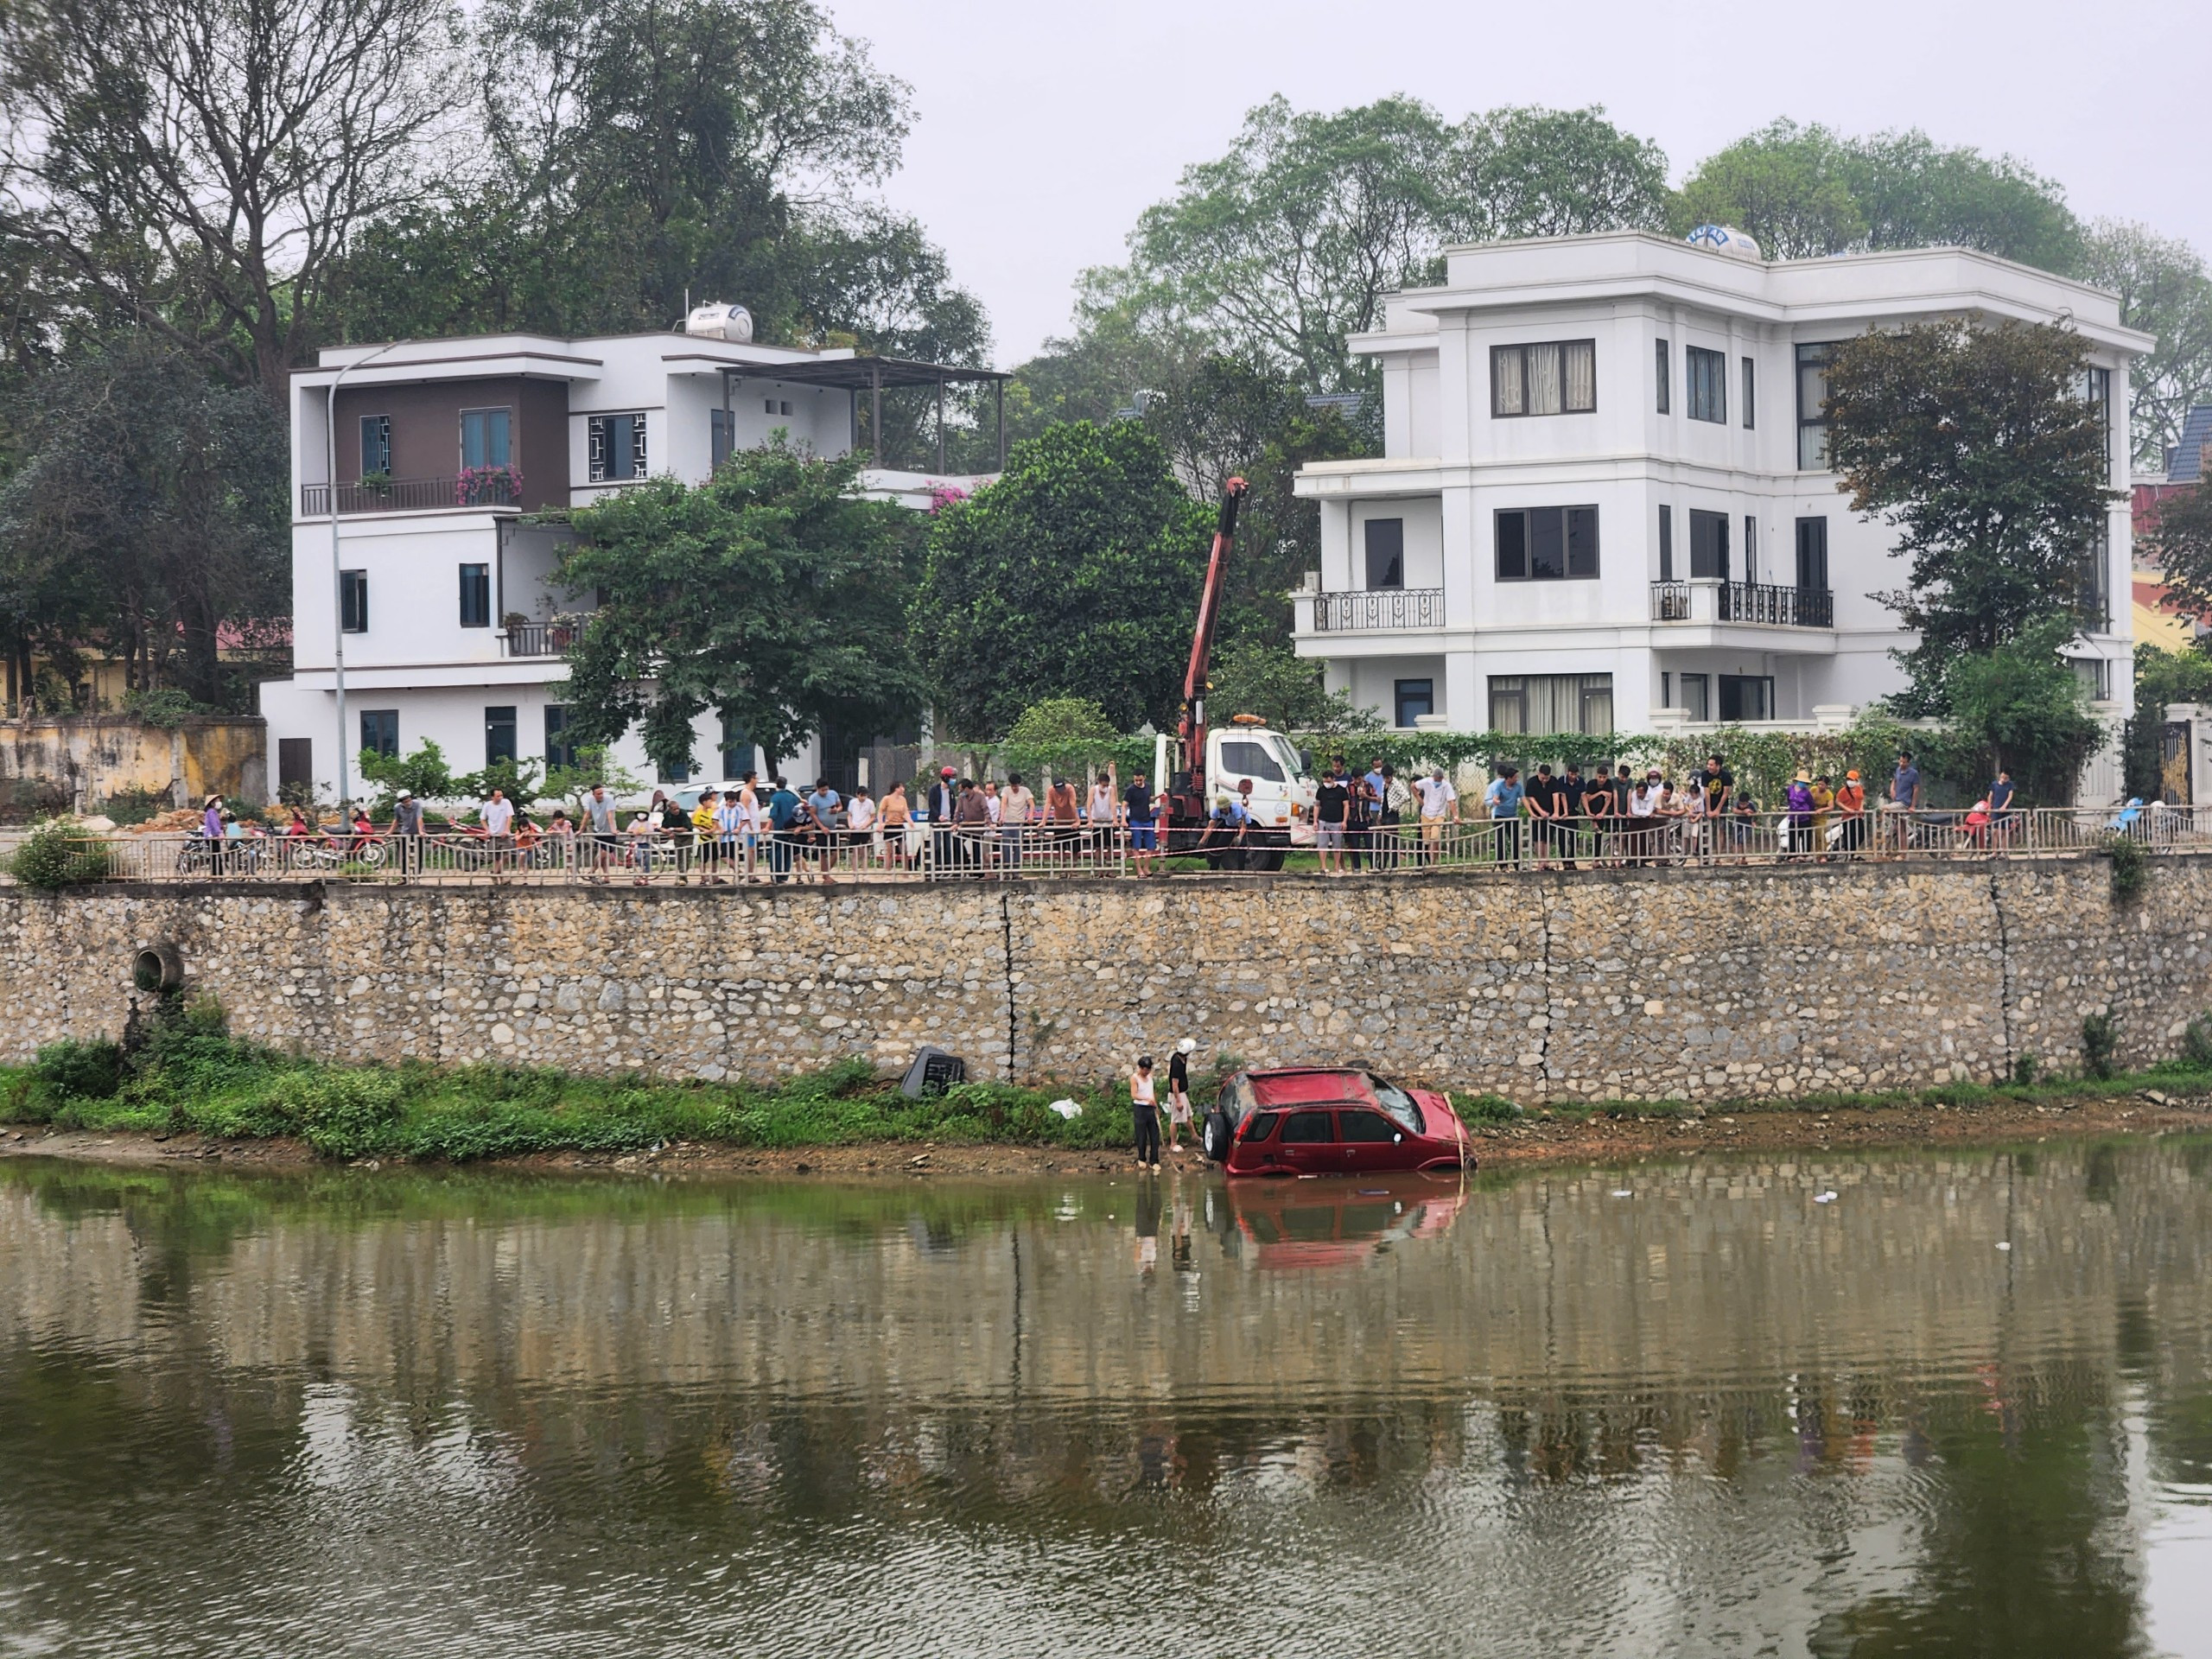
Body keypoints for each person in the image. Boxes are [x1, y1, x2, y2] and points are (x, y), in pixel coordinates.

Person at [1413, 765, 1458, 866]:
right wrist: (1418, 798)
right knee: (1427, 842)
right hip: (1426, 815)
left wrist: (1456, 816)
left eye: (1440, 779)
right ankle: (1430, 864)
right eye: (1437, 778)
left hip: (1439, 815)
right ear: (1434, 777)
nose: (1438, 780)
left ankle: (1433, 864)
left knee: (1435, 840)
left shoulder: (1446, 786)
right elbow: (1413, 786)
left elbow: (1451, 802)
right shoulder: (1427, 782)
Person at [1313, 760, 1351, 875]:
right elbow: (1317, 806)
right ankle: (1323, 866)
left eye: (1328, 781)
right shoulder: (1321, 790)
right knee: (1322, 844)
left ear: (1333, 779)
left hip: (1337, 821)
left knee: (1337, 845)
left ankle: (1336, 867)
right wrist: (1315, 821)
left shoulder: (1341, 790)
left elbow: (1346, 806)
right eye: (1324, 781)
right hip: (1323, 821)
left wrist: (1344, 821)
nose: (1326, 783)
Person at [1524, 763, 1564, 870]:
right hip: (1537, 815)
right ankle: (1540, 860)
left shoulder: (1553, 781)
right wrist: (1540, 812)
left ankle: (1546, 860)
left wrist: (1556, 812)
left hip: (1550, 814)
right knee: (1538, 839)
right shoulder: (1532, 782)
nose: (1545, 780)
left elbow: (1556, 796)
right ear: (1539, 773)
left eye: (1547, 778)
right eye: (1543, 778)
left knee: (1548, 839)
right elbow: (1531, 799)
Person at [1484, 764, 1523, 867]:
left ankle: (1516, 863)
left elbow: (1520, 799)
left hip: (1512, 815)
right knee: (1500, 840)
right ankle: (1503, 864)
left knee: (1515, 840)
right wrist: (1495, 801)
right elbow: (1489, 800)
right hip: (1499, 814)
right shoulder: (1496, 786)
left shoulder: (1517, 786)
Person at [766, 776, 803, 883]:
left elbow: (773, 814)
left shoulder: (775, 798)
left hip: (780, 830)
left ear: (776, 785)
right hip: (792, 830)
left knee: (777, 854)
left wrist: (767, 827)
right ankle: (785, 876)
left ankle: (776, 876)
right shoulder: (792, 797)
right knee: (788, 853)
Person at [1129, 1055, 1162, 1171]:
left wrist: (1156, 1106)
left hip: (1150, 1108)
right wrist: (1146, 1099)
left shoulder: (1150, 1077)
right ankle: (1141, 1158)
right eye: (1145, 1069)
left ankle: (1154, 1160)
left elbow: (1152, 1092)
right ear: (1140, 1068)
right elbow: (1134, 1094)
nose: (1147, 1072)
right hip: (1140, 1108)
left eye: (1149, 1069)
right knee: (1142, 1135)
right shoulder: (1134, 1078)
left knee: (1155, 1135)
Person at [1122, 769, 1157, 875]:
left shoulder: (1147, 787)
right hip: (1135, 820)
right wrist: (1123, 820)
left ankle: (1146, 868)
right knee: (1136, 846)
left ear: (1144, 778)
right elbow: (1124, 804)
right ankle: (1139, 871)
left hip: (1147, 820)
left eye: (1140, 780)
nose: (1138, 782)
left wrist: (1157, 797)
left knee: (1151, 846)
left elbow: (1148, 799)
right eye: (1136, 780)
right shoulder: (1131, 790)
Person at [956, 776, 993, 874]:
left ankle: (978, 872)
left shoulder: (980, 796)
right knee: (956, 842)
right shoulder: (961, 797)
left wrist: (989, 822)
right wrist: (955, 823)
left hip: (977, 828)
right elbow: (958, 811)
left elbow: (985, 810)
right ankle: (964, 865)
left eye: (961, 790)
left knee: (977, 848)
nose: (960, 792)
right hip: (966, 827)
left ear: (967, 789)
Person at [584, 784, 620, 882]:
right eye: (598, 793)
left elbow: (610, 815)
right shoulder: (590, 800)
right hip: (598, 830)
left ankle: (592, 870)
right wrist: (581, 829)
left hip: (608, 831)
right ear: (593, 794)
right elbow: (587, 815)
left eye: (602, 793)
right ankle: (606, 876)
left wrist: (613, 829)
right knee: (602, 855)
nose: (601, 795)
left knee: (603, 854)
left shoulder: (609, 800)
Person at [1889, 749, 1923, 853]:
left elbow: (1916, 789)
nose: (1902, 764)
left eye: (1904, 762)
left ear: (1908, 762)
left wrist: (1912, 805)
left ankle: (1897, 821)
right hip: (1897, 800)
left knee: (1884, 809)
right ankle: (1903, 851)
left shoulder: (1913, 773)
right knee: (1901, 829)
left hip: (1904, 802)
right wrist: (1892, 790)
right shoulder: (1898, 770)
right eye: (1900, 761)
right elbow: (1895, 781)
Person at [1166, 1037, 1196, 1153]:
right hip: (1177, 1094)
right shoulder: (1177, 1064)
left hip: (1182, 1092)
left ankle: (1194, 1135)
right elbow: (1174, 1084)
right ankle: (1173, 1144)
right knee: (1175, 1119)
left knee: (1188, 1115)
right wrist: (1178, 1101)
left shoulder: (1181, 1058)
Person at [1001, 772, 1035, 872]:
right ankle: (1006, 869)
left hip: (1019, 823)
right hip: (1007, 823)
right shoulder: (1006, 790)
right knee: (1006, 847)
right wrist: (1002, 816)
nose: (1014, 788)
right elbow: (1003, 803)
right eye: (1012, 786)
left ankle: (1016, 870)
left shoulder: (1025, 791)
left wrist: (1031, 815)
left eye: (1015, 786)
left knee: (1018, 848)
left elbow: (1032, 804)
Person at [659, 788, 695, 883]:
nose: (677, 810)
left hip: (687, 837)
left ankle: (683, 875)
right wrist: (667, 832)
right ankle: (681, 875)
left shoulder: (683, 813)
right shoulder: (667, 814)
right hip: (677, 837)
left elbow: (685, 828)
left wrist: (672, 829)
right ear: (670, 809)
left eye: (678, 808)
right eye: (674, 809)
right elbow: (663, 827)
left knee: (686, 856)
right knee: (679, 856)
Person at [929, 766, 959, 874]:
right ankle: (936, 869)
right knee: (937, 846)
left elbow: (953, 806)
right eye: (952, 777)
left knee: (948, 847)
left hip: (948, 823)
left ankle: (947, 870)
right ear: (945, 777)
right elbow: (932, 805)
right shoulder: (935, 790)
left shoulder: (951, 792)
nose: (953, 780)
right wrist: (938, 816)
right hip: (937, 823)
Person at [387, 790, 424, 874]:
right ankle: (404, 876)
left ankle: (416, 876)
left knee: (418, 856)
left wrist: (421, 831)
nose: (408, 803)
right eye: (405, 802)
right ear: (402, 802)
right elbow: (396, 820)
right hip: (405, 833)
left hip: (417, 833)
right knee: (404, 855)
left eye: (409, 800)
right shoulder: (397, 807)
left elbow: (419, 818)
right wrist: (390, 832)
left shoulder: (417, 804)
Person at [1088, 768, 1118, 864]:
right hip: (1096, 821)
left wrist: (1115, 819)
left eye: (1107, 785)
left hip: (1108, 821)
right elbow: (1088, 805)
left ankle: (1109, 869)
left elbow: (1113, 804)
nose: (1105, 787)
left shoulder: (1111, 790)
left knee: (1109, 846)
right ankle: (1099, 869)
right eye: (1103, 785)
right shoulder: (1093, 790)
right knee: (1098, 847)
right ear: (1099, 783)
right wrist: (1090, 821)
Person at [1834, 769, 1867, 856]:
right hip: (1848, 817)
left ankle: (1853, 851)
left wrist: (1861, 807)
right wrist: (1847, 809)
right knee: (1849, 836)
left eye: (1852, 780)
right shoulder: (1843, 791)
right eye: (1848, 779)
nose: (1850, 782)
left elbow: (1861, 799)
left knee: (1861, 835)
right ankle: (1850, 854)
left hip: (1858, 816)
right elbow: (1837, 801)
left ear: (1856, 780)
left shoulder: (1859, 788)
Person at [879, 780, 911, 869]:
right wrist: (881, 824)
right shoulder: (886, 799)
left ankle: (906, 872)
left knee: (904, 850)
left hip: (900, 825)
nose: (903, 789)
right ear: (897, 789)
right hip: (889, 826)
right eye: (902, 787)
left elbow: (906, 812)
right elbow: (881, 811)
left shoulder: (903, 799)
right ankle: (888, 872)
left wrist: (910, 822)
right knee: (889, 852)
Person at [846, 785, 877, 871]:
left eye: (865, 795)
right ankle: (854, 872)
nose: (863, 798)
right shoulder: (852, 802)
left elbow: (872, 816)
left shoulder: (870, 803)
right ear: (857, 795)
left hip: (865, 829)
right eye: (862, 795)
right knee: (855, 852)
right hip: (855, 829)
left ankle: (865, 872)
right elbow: (849, 815)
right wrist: (850, 824)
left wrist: (866, 825)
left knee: (864, 852)